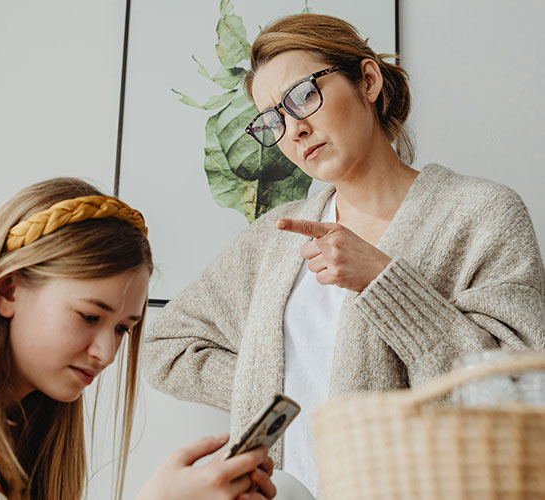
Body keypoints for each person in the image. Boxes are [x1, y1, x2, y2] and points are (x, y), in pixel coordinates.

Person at [142, 12, 545, 497]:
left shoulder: (480, 213)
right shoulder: (277, 236)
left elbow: (523, 391)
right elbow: (167, 345)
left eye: (302, 96)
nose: (294, 130)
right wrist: (271, 382)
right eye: (273, 120)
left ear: (368, 81)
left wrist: (385, 281)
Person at [0, 177, 276, 500]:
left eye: (123, 329)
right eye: (89, 315)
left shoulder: (29, 431)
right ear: (7, 291)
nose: (106, 353)